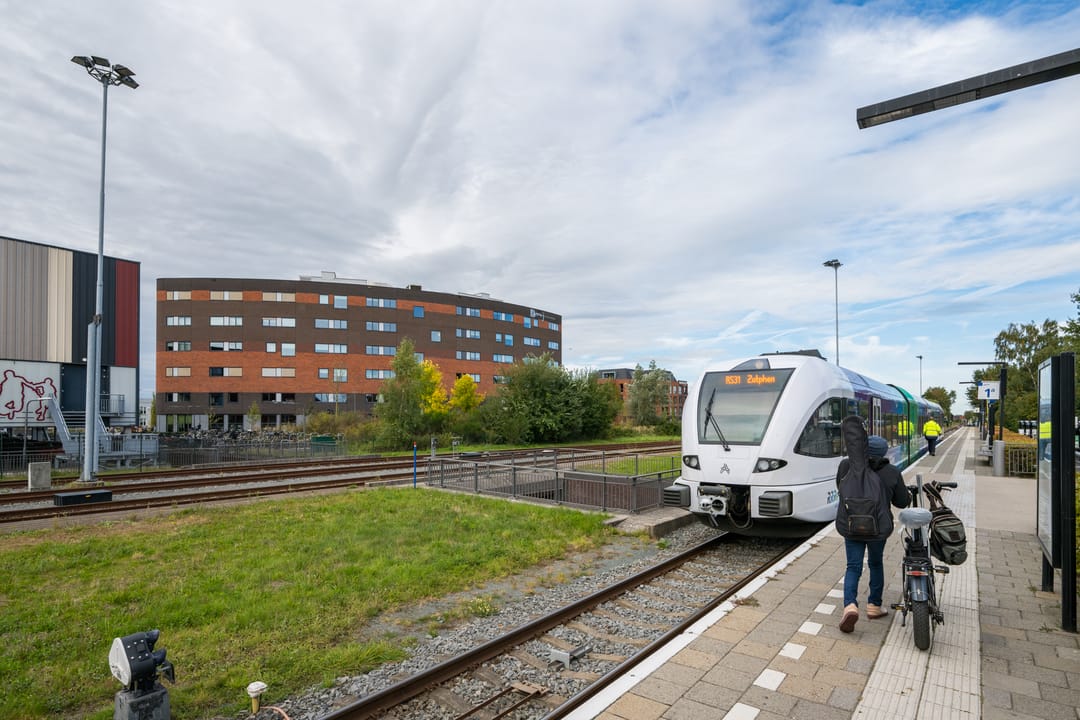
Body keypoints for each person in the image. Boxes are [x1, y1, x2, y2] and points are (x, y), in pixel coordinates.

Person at [835, 420, 910, 633]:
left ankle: (850, 605)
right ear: (884, 452)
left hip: (851, 525)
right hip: (878, 528)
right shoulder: (892, 472)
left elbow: (840, 487)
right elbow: (901, 502)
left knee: (853, 566)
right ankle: (874, 606)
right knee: (876, 563)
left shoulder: (846, 466)